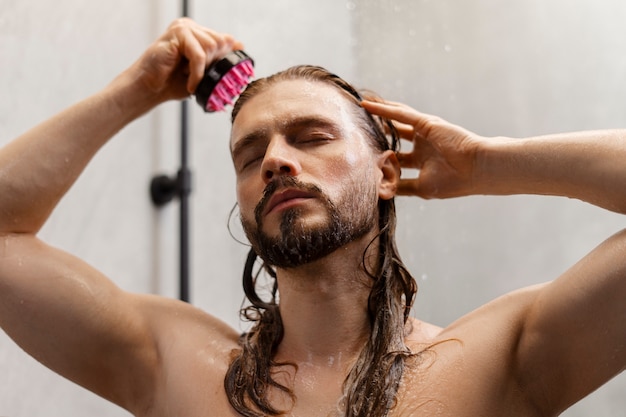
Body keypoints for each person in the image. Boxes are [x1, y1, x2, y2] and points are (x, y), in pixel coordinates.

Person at [0, 17, 624, 417]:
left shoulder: (500, 359)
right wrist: (134, 90)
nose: (274, 160)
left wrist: (487, 163)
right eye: (250, 155)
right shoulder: (172, 364)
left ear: (385, 172)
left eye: (311, 137)